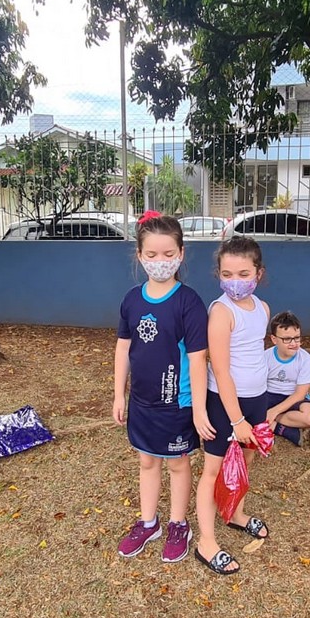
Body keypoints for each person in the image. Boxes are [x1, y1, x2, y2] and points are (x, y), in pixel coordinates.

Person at [113, 215, 210, 562]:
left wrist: (198, 409)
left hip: (176, 403)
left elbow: (198, 360)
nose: (160, 261)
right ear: (139, 255)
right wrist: (118, 393)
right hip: (142, 402)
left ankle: (178, 524)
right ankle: (148, 522)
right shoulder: (131, 300)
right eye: (151, 255)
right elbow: (123, 348)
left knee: (177, 464)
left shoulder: (189, 303)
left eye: (168, 254)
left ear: (181, 253)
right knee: (147, 461)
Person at [194, 236, 272, 575]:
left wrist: (258, 411)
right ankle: (206, 541)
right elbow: (221, 370)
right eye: (227, 274)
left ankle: (236, 513)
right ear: (218, 274)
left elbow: (255, 355)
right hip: (226, 404)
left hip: (257, 400)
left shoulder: (263, 308)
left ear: (258, 273)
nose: (235, 281)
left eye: (243, 274)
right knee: (213, 470)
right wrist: (237, 419)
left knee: (246, 460)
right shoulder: (221, 312)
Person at [263, 310, 310, 446]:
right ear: (274, 339)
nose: (293, 343)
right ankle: (280, 428)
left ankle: (271, 419)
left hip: (293, 398)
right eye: (287, 339)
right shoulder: (265, 357)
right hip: (268, 395)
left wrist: (273, 412)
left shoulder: (305, 359)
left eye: (297, 338)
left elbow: (300, 394)